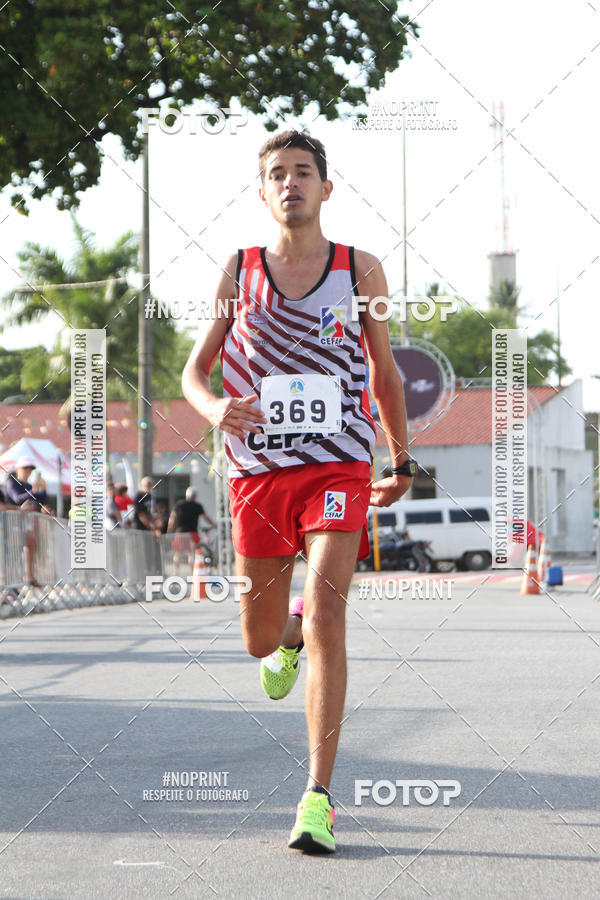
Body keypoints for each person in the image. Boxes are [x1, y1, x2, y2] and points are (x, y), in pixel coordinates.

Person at [182, 130, 415, 853]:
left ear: (326, 188)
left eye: (303, 173)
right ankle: (284, 639)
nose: (291, 183)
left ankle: (317, 797)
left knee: (329, 618)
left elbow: (385, 371)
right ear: (262, 191)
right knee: (260, 639)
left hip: (338, 466)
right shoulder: (239, 269)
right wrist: (216, 407)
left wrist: (401, 460)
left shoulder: (359, 269)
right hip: (256, 472)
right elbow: (195, 373)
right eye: (277, 174)